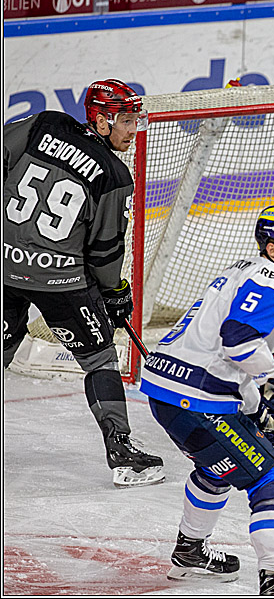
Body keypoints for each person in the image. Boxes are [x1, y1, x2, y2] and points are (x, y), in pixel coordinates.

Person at [139, 206, 274, 595]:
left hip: (167, 389)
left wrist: (255, 407)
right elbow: (237, 342)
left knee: (217, 467)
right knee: (270, 480)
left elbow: (228, 359)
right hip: (196, 399)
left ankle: (190, 553)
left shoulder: (242, 270)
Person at [3, 78, 164, 488]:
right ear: (102, 122)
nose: (134, 128)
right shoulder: (114, 174)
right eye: (127, 120)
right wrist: (115, 292)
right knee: (99, 359)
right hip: (61, 282)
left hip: (4, 266)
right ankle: (122, 451)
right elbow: (105, 253)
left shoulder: (44, 123)